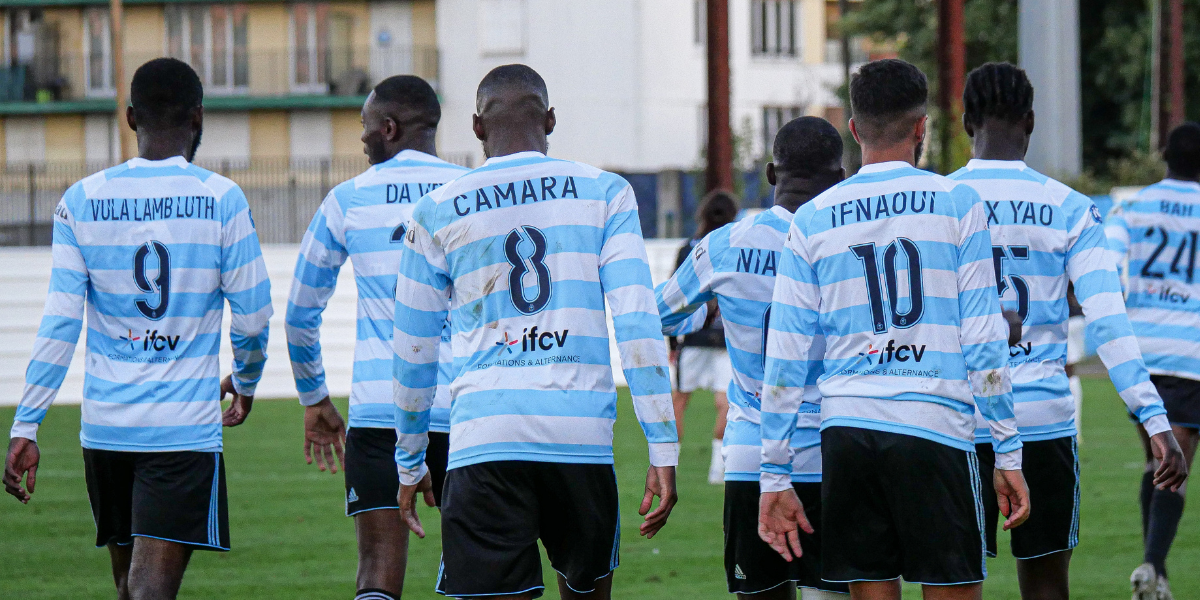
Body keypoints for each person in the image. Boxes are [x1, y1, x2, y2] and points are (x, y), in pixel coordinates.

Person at [390, 64, 679, 599]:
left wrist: (409, 459)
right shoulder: (606, 193)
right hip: (580, 440)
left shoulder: (434, 211)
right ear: (550, 120)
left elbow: (413, 350)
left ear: (476, 128)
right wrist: (662, 445)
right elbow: (637, 322)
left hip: (484, 440)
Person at [757, 58, 1031, 600]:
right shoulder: (958, 205)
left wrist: (774, 472)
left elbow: (786, 354)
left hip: (848, 433)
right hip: (933, 426)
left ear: (854, 130)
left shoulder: (812, 218)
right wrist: (1007, 451)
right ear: (921, 127)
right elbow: (983, 339)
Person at [2, 58, 271, 600]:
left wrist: (26, 423)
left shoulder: (80, 200)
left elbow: (60, 322)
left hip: (105, 428)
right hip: (182, 428)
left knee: (129, 586)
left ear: (130, 117)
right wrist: (246, 378)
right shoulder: (221, 199)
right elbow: (254, 316)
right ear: (198, 116)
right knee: (150, 591)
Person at [948, 62, 1188, 600]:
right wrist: (1153, 416)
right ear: (1030, 122)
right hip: (1043, 421)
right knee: (1048, 585)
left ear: (966, 123)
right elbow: (1108, 320)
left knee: (955, 586)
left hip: (958, 421)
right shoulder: (1070, 207)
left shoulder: (938, 200)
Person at [285, 75, 466, 600]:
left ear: (389, 128)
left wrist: (315, 397)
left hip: (380, 410)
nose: (362, 139)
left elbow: (299, 312)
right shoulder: (474, 192)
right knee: (480, 569)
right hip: (468, 409)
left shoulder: (347, 200)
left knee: (378, 571)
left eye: (365, 128)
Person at [657, 116, 847, 599]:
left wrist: (702, 319)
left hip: (753, 453)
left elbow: (657, 313)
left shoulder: (725, 244)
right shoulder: (851, 243)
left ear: (769, 174)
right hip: (835, 451)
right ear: (841, 177)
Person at [1106, 121, 1200, 600]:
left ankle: (1156, 579)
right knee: (1176, 463)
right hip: (1190, 355)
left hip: (1139, 355)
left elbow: (1105, 260)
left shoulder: (1134, 205)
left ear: (1166, 158)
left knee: (1155, 460)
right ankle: (1153, 565)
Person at [670, 190, 738, 484]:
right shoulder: (737, 246)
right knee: (725, 404)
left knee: (678, 401)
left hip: (694, 337)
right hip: (726, 339)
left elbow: (675, 299)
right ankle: (716, 469)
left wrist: (673, 343)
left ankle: (667, 464)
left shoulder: (688, 249)